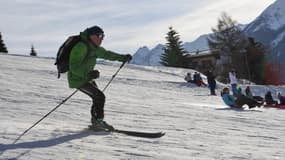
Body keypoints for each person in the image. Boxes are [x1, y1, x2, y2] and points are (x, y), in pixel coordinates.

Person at [68, 25, 132, 131]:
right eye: (100, 36)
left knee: (97, 97)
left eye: (103, 36)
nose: (102, 39)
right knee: (99, 96)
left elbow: (107, 54)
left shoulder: (94, 48)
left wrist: (122, 57)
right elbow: (73, 66)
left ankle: (96, 121)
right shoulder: (81, 46)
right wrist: (87, 74)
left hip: (87, 78)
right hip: (77, 79)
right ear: (92, 36)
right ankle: (98, 122)